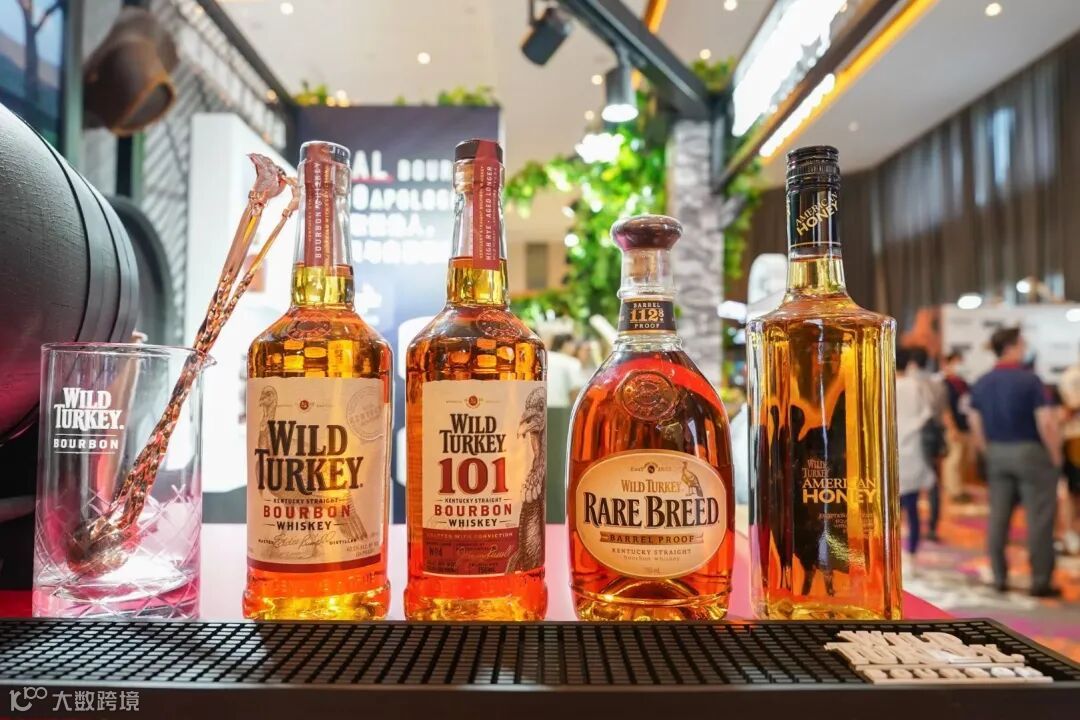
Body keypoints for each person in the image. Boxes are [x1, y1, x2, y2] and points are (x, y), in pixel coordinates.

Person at [968, 327, 1061, 597]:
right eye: (1022, 344)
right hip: (1030, 451)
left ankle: (999, 576)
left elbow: (975, 422)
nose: (1025, 349)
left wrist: (986, 450)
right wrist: (1055, 454)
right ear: (1010, 347)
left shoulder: (982, 381)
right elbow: (1046, 422)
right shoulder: (1030, 380)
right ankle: (1040, 581)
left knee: (998, 517)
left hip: (996, 451)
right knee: (1039, 518)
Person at [895, 346, 937, 567]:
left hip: (890, 452)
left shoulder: (884, 385)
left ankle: (890, 553)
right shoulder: (916, 386)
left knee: (889, 510)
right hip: (913, 449)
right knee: (912, 507)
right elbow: (928, 412)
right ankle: (911, 551)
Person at [908, 346, 949, 542]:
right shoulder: (938, 384)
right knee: (933, 482)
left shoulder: (908, 383)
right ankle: (932, 525)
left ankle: (911, 525)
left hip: (911, 438)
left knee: (910, 485)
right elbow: (942, 412)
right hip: (933, 437)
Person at [941, 351, 975, 504]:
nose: (959, 366)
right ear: (947, 365)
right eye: (955, 362)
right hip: (953, 427)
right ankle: (953, 491)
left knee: (963, 460)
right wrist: (951, 428)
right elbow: (944, 408)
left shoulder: (963, 384)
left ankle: (960, 488)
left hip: (965, 426)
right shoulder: (944, 384)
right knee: (954, 459)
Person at [1056, 347, 1080, 555]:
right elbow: (1070, 407)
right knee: (1072, 490)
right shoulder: (1073, 376)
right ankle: (1071, 534)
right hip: (1075, 439)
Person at [546, 334, 583, 409]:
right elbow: (575, 390)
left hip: (540, 407)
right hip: (561, 409)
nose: (575, 347)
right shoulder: (572, 362)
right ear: (565, 344)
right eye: (572, 343)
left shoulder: (544, 357)